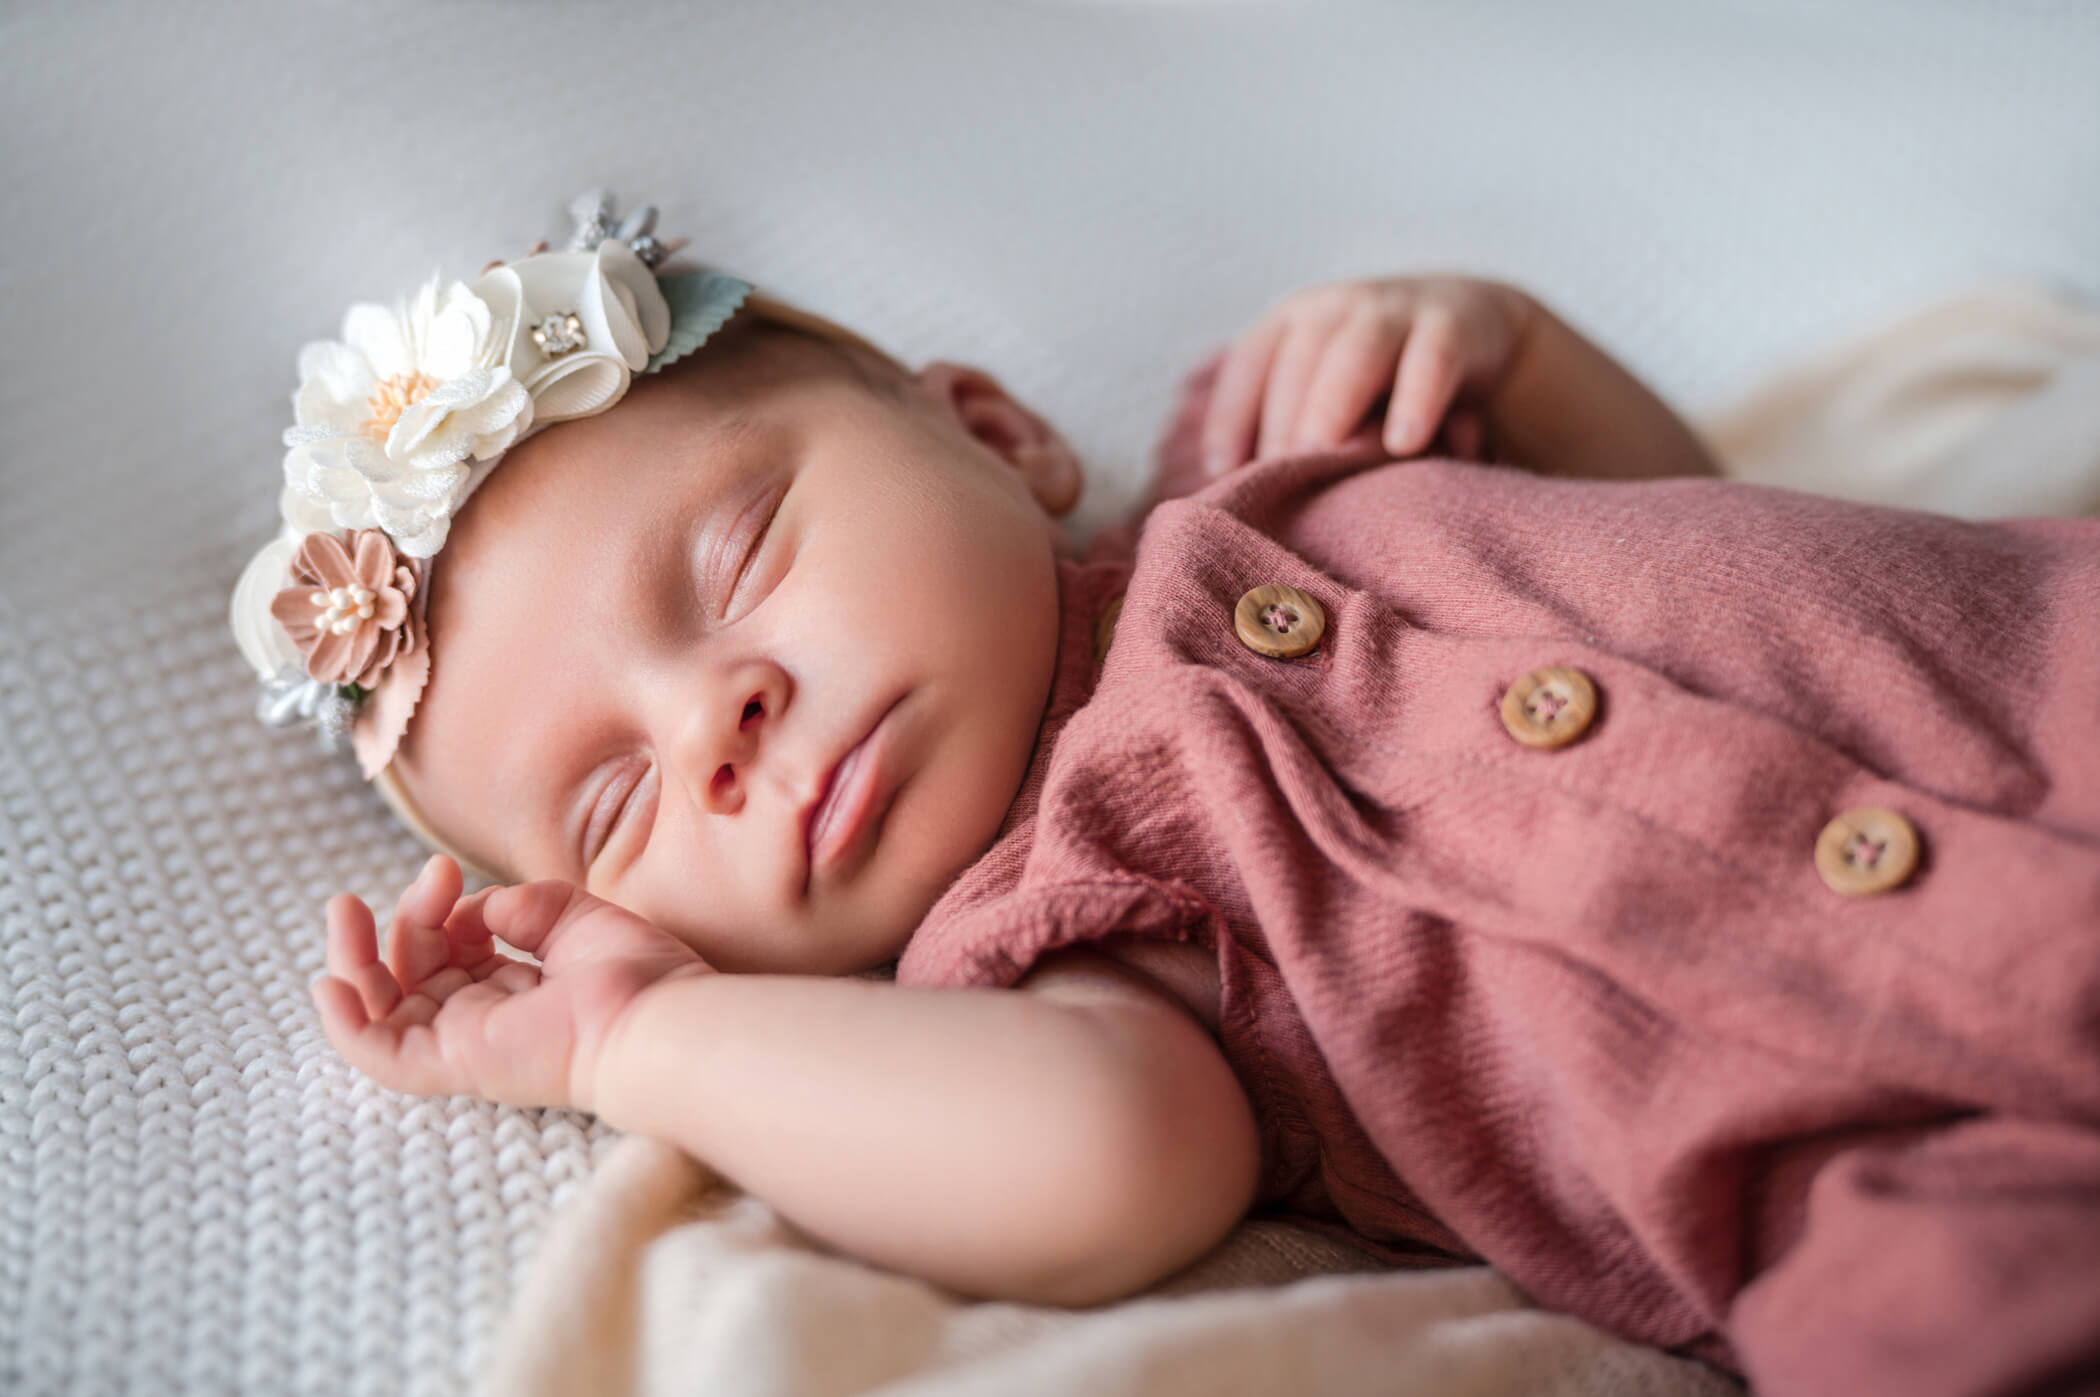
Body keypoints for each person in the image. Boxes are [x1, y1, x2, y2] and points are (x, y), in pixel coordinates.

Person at [232, 195, 2100, 1397]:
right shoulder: (1050, 953)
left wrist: (1503, 342)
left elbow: (1670, 499)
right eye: (625, 801)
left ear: (990, 430)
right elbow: (1111, 1164)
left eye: (738, 558)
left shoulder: (1282, 449)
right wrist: (634, 1040)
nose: (724, 717)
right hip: (1920, 1184)